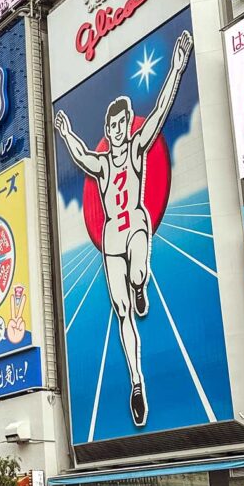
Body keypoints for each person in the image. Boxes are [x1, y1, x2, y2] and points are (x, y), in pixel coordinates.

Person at [54, 29, 194, 427]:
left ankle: (140, 284)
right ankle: (137, 382)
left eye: (121, 124)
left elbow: (163, 111)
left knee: (138, 271)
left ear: (125, 125)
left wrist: (177, 67)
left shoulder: (135, 148)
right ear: (107, 129)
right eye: (112, 127)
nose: (117, 131)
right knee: (121, 312)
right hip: (112, 236)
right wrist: (65, 133)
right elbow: (81, 154)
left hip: (136, 223)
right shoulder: (101, 164)